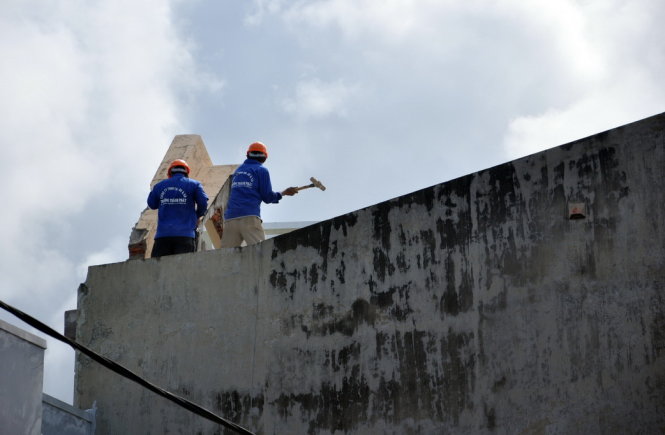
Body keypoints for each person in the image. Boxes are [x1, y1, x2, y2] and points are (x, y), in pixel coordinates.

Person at [221, 142, 298, 248]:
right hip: (249, 218)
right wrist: (284, 193)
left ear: (248, 155)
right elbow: (267, 197)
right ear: (265, 157)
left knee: (226, 255)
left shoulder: (238, 171)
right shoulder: (261, 170)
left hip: (230, 219)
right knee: (261, 252)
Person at [147, 159, 209, 257]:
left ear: (170, 172)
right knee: (182, 266)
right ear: (186, 172)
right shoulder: (194, 184)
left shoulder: (159, 186)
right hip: (186, 235)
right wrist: (196, 216)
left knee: (159, 266)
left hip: (162, 237)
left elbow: (152, 204)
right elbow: (203, 203)